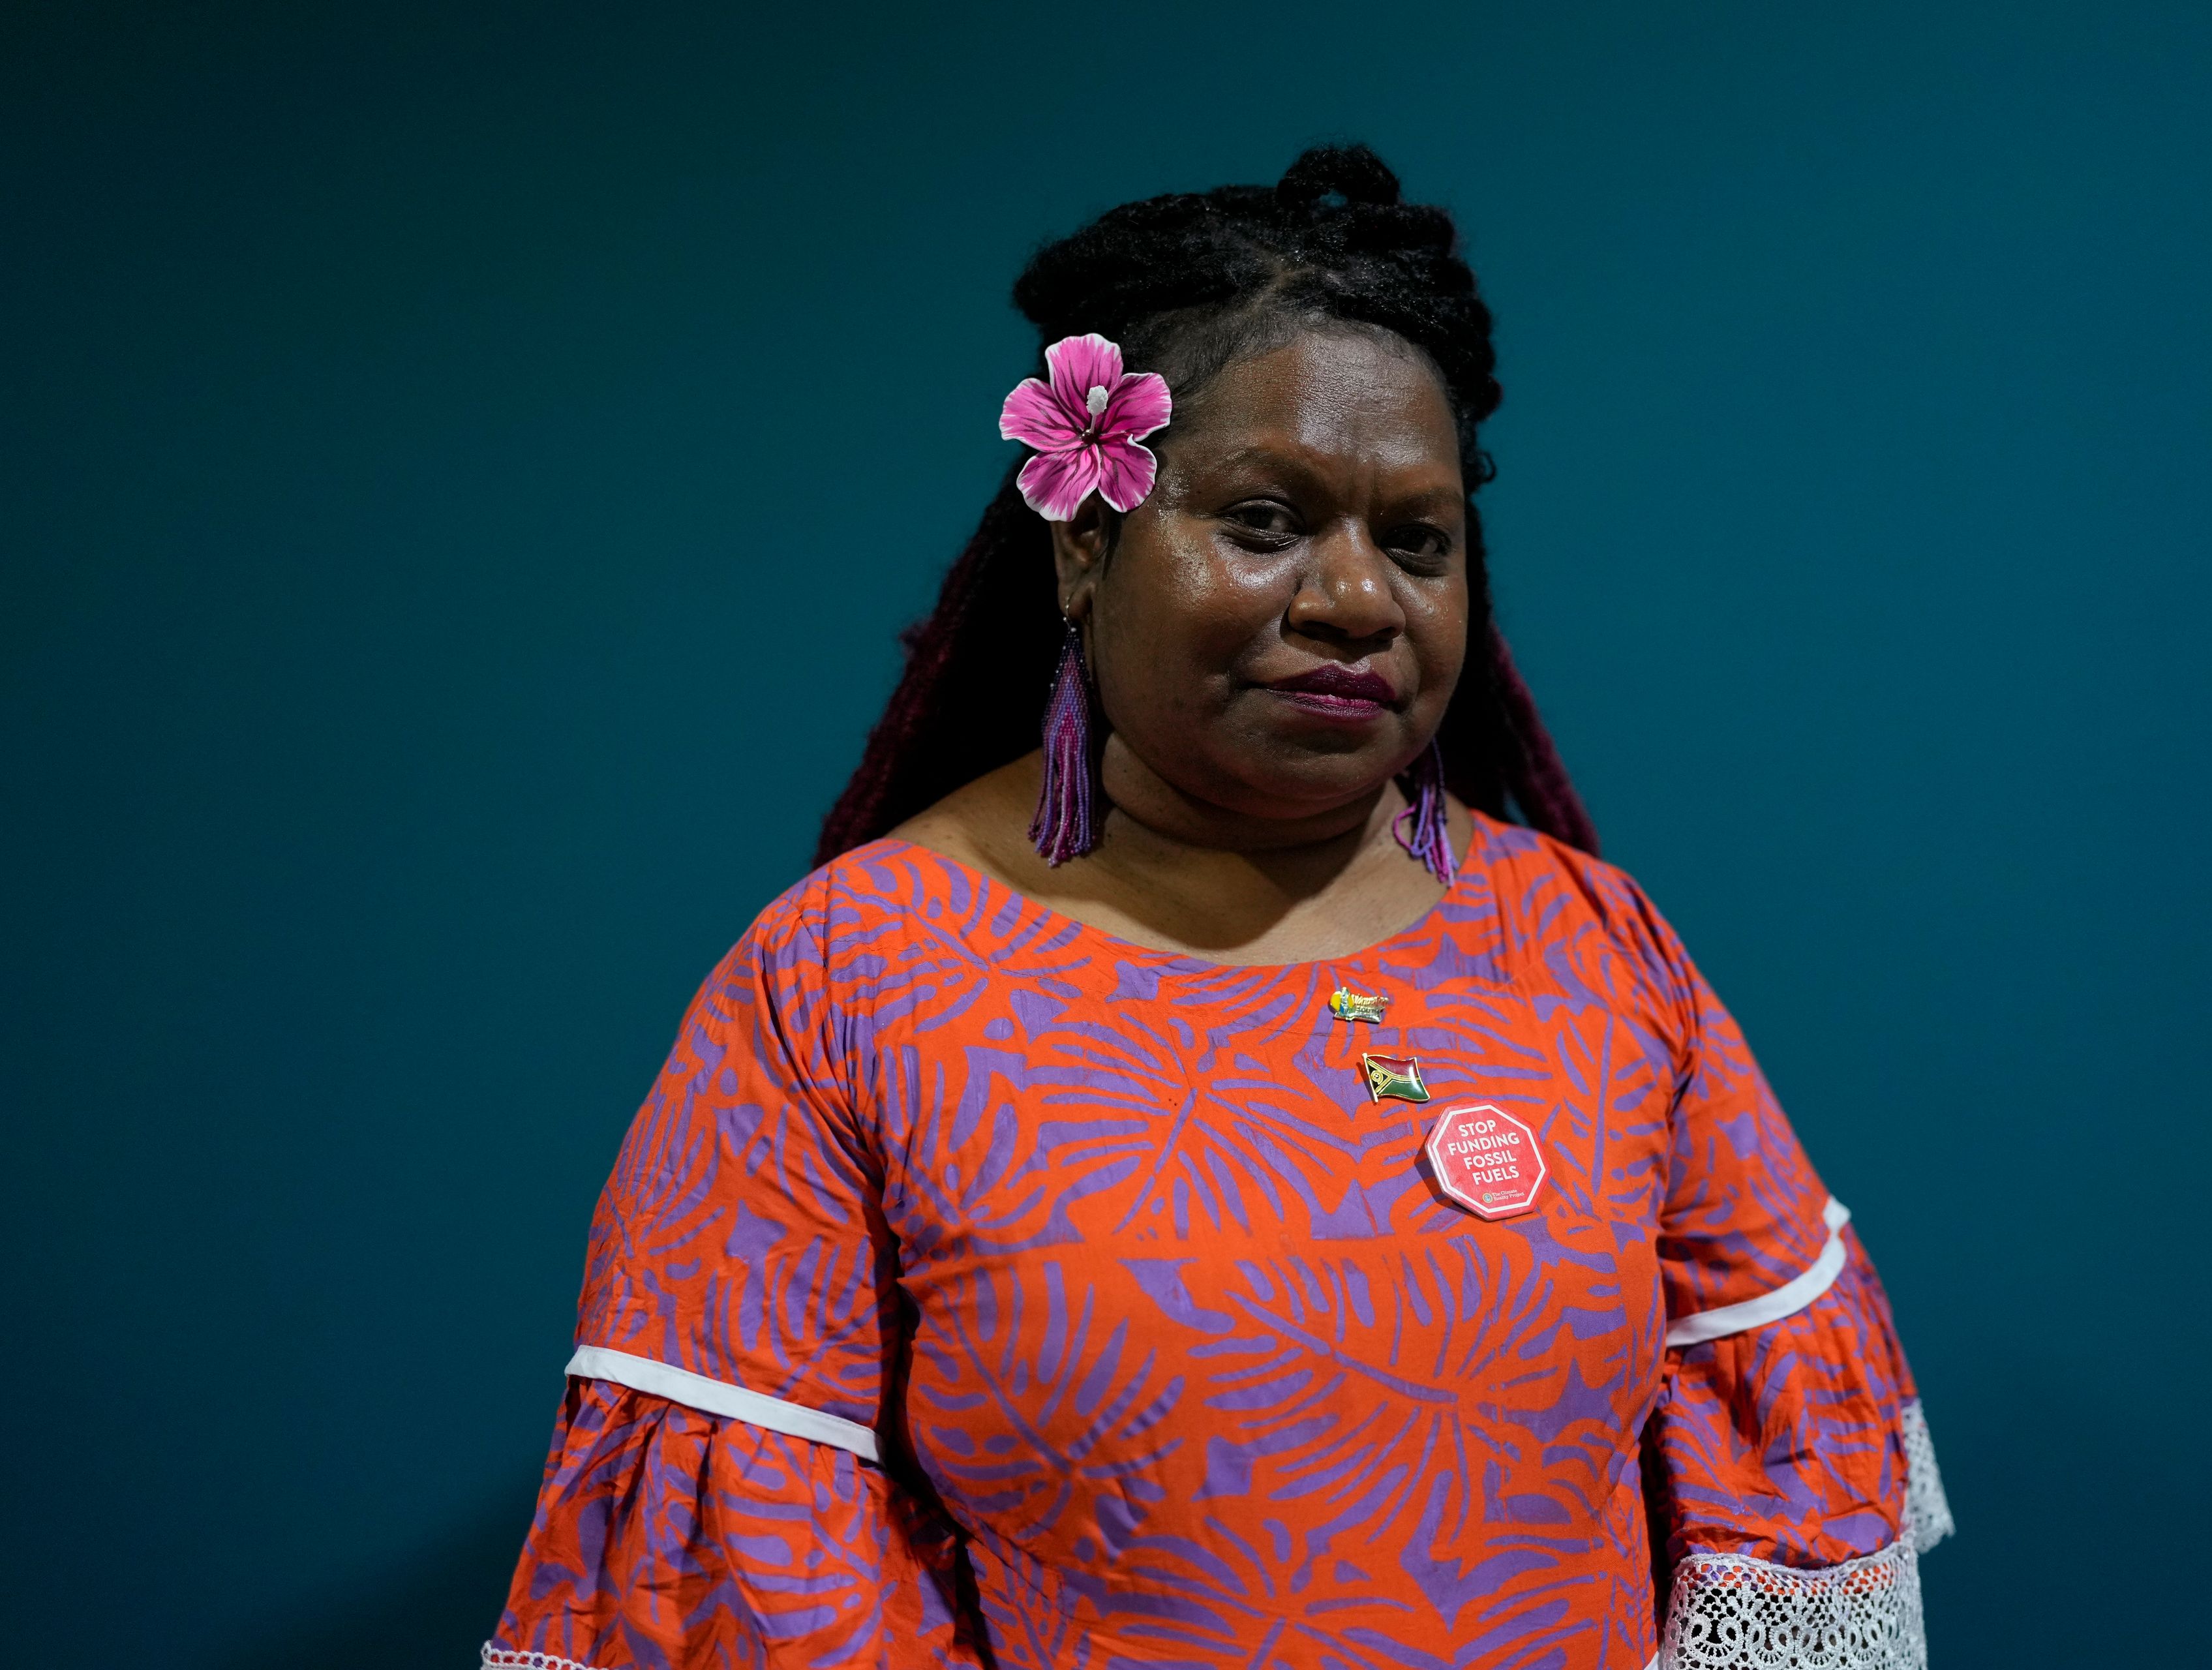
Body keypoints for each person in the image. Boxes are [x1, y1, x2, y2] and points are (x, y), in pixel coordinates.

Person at [485, 144, 1950, 1670]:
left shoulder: (1593, 943)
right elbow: (768, 1584)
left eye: (1418, 539)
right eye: (1265, 519)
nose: (1358, 598)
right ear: (1084, 537)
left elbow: (1781, 1473)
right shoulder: (844, 985)